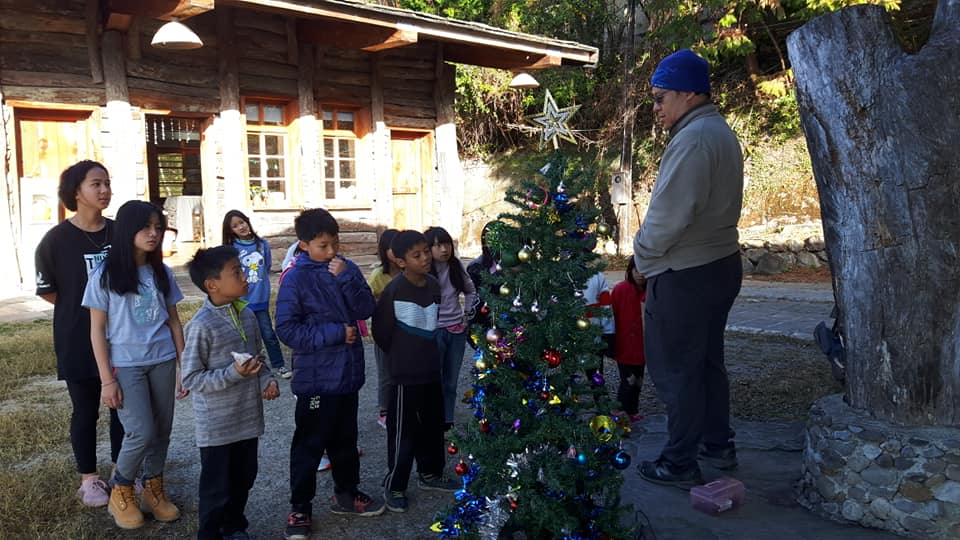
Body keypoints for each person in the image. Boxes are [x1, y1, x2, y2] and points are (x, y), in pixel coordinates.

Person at [633, 49, 744, 487]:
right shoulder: (715, 131)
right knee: (705, 364)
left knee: (676, 369)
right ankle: (717, 444)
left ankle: (679, 462)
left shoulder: (694, 138)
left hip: (686, 271)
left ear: (689, 93)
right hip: (719, 263)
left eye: (661, 98)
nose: (656, 109)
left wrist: (641, 259)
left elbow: (668, 216)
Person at [275, 208, 383, 540]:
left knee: (346, 440)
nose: (332, 251)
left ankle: (346, 494)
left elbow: (367, 308)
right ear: (304, 244)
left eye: (335, 243)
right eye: (323, 245)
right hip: (317, 380)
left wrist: (347, 277)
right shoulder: (295, 278)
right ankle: (300, 507)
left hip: (347, 376)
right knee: (309, 444)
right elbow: (288, 330)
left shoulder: (345, 268)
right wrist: (336, 333)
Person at [82, 200, 187, 529]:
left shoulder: (162, 271)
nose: (154, 234)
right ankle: (121, 489)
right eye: (146, 227)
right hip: (125, 366)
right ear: (128, 229)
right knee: (141, 430)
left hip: (163, 360)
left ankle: (153, 490)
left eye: (158, 227)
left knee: (163, 432)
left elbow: (173, 322)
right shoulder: (105, 274)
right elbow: (96, 331)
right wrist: (106, 381)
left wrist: (187, 365)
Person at [34, 160, 124, 507]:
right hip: (76, 337)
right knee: (85, 409)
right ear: (76, 191)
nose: (104, 190)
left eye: (107, 183)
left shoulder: (120, 233)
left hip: (122, 336)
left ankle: (122, 471)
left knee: (123, 407)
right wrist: (86, 312)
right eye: (96, 184)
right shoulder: (55, 240)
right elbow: (50, 291)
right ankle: (89, 479)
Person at [181, 245, 280, 540]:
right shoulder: (200, 326)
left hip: (247, 419)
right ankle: (210, 534)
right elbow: (191, 379)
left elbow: (257, 358)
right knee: (216, 489)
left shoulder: (247, 315)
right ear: (212, 285)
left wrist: (267, 380)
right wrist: (233, 374)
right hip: (217, 428)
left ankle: (235, 527)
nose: (245, 275)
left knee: (244, 479)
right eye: (236, 272)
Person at [372, 230, 459, 513]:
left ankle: (431, 473)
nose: (425, 258)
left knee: (433, 426)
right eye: (417, 255)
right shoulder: (394, 291)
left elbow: (432, 324)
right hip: (405, 376)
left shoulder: (433, 285)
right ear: (400, 261)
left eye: (426, 252)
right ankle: (395, 484)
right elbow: (381, 334)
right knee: (403, 432)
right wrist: (402, 357)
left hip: (431, 371)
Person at [222, 210, 290, 379]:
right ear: (231, 231)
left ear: (248, 222)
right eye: (235, 226)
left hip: (260, 298)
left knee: (268, 333)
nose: (241, 227)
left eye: (242, 222)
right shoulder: (231, 249)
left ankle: (279, 365)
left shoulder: (262, 245)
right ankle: (249, 366)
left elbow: (266, 268)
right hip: (241, 301)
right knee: (246, 337)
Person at [424, 226, 477, 431]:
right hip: (433, 331)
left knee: (451, 381)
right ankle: (431, 420)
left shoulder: (455, 267)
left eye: (445, 244)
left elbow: (471, 290)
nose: (443, 249)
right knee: (432, 379)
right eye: (436, 245)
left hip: (456, 330)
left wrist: (467, 316)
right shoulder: (425, 270)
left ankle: (448, 421)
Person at [367, 228, 401, 430]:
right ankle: (384, 411)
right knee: (385, 373)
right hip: (385, 333)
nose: (397, 252)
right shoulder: (378, 275)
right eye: (392, 248)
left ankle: (401, 407)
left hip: (406, 334)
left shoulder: (409, 272)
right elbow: (368, 300)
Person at [610, 257, 647, 423]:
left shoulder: (651, 291)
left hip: (643, 345)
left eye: (644, 271)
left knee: (638, 380)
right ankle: (619, 409)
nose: (640, 275)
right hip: (624, 344)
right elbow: (611, 317)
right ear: (630, 271)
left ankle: (632, 409)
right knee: (628, 380)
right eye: (636, 270)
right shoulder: (620, 290)